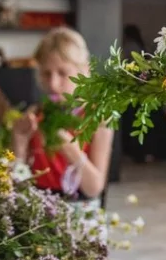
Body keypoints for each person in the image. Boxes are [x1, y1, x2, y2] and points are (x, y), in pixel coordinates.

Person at [11, 27, 114, 208]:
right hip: (39, 206)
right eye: (46, 73)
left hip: (81, 210)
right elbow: (16, 183)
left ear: (84, 72)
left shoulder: (98, 118)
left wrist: (70, 148)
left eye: (63, 73)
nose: (53, 84)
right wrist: (19, 141)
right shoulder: (35, 115)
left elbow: (94, 188)